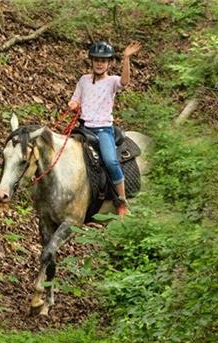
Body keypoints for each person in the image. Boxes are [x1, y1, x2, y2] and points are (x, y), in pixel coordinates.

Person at [67, 40, 141, 216]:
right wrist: (73, 104)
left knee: (110, 160)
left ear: (109, 63)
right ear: (91, 61)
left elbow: (125, 81)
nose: (100, 63)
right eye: (97, 60)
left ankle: (121, 201)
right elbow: (76, 98)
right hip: (83, 128)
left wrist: (126, 58)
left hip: (103, 130)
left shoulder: (112, 81)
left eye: (104, 60)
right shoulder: (84, 80)